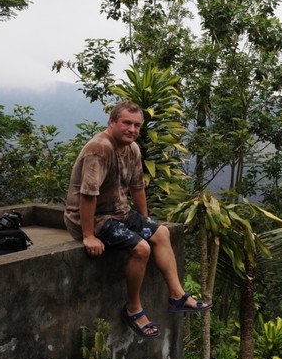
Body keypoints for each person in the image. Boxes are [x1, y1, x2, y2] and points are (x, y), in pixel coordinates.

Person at [64, 100, 210, 339]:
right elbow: (88, 194)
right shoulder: (99, 149)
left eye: (137, 125)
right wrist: (88, 235)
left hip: (119, 212)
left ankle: (176, 295)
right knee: (141, 249)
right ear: (112, 122)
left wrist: (144, 221)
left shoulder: (132, 149)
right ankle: (133, 308)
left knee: (161, 233)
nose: (132, 129)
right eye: (126, 123)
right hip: (91, 218)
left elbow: (137, 187)